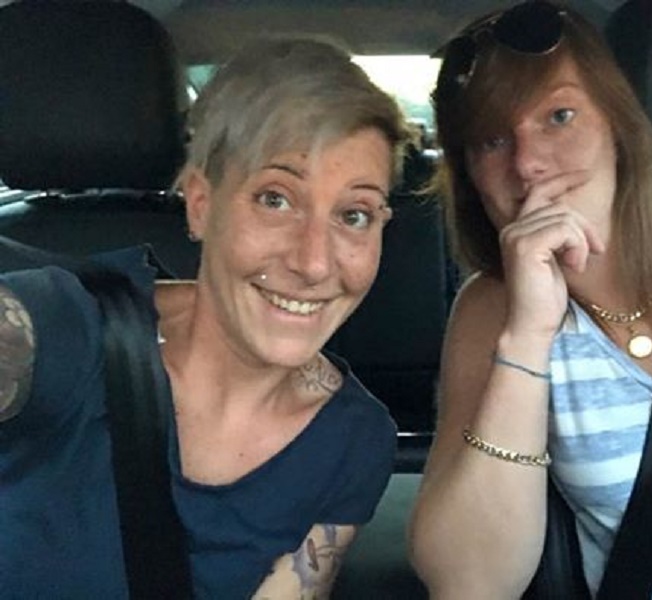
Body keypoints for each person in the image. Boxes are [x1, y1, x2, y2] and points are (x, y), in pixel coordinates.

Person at [408, 1, 652, 598]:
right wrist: (528, 336)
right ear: (470, 176)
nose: (528, 163)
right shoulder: (493, 311)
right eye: (491, 140)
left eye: (559, 116)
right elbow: (471, 582)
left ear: (618, 125)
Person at [0, 36, 408, 599]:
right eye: (275, 199)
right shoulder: (63, 326)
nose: (314, 263)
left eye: (354, 214)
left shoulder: (353, 439)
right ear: (200, 204)